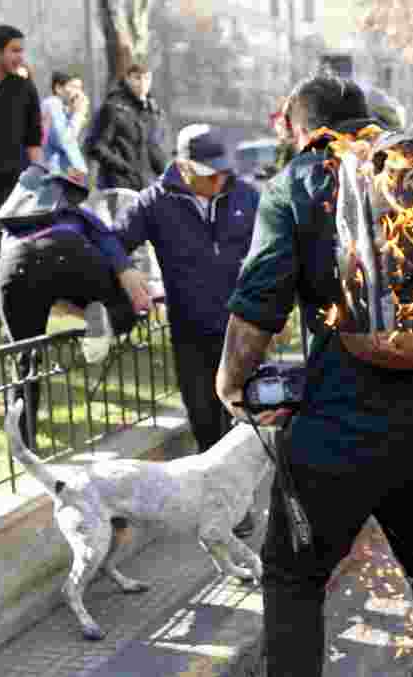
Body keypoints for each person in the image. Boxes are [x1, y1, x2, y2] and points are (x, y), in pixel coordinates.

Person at [215, 72, 413, 677]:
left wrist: (229, 383)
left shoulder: (295, 184)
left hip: (342, 425)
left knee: (295, 573)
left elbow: (257, 307)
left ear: (298, 126)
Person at [114, 124, 259, 535]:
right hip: (190, 330)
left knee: (243, 419)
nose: (221, 179)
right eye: (210, 172)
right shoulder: (154, 202)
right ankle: (221, 506)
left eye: (223, 170)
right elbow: (112, 240)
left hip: (243, 329)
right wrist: (126, 271)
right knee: (204, 419)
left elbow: (276, 246)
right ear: (182, 166)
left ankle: (242, 503)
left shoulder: (246, 196)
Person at [0, 167, 151, 445]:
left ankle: (22, 444)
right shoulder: (74, 214)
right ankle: (104, 317)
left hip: (13, 266)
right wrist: (126, 283)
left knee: (24, 357)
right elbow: (107, 241)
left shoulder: (9, 225)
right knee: (123, 310)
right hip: (69, 250)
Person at [0, 24, 43, 340]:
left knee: (11, 254)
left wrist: (37, 181)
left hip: (14, 187)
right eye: (14, 50)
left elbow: (33, 139)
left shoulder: (24, 89)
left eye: (21, 50)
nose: (20, 56)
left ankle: (11, 319)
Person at [87, 64, 166, 190]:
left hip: (145, 187)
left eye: (146, 78)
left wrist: (167, 175)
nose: (142, 83)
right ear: (128, 79)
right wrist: (124, 168)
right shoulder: (113, 107)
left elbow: (153, 149)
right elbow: (96, 146)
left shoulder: (153, 111)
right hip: (117, 186)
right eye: (137, 78)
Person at [41, 71, 89, 176]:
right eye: (74, 87)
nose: (79, 94)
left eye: (80, 88)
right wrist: (78, 114)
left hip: (61, 175)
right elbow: (63, 141)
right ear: (58, 88)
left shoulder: (63, 109)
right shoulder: (53, 104)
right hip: (54, 176)